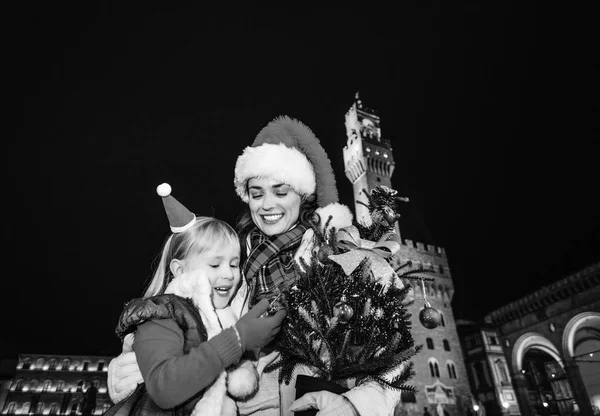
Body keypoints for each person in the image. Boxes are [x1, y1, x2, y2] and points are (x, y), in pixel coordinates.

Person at [108, 116, 406, 415]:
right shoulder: (235, 262)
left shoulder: (344, 256)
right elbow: (186, 326)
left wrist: (356, 406)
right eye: (257, 193)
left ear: (303, 195)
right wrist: (130, 370)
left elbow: (395, 352)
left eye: (280, 191)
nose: (267, 205)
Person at [104, 183, 286, 416]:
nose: (229, 274)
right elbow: (165, 388)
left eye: (234, 264)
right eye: (214, 264)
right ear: (180, 270)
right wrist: (238, 340)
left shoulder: (223, 317)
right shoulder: (162, 314)